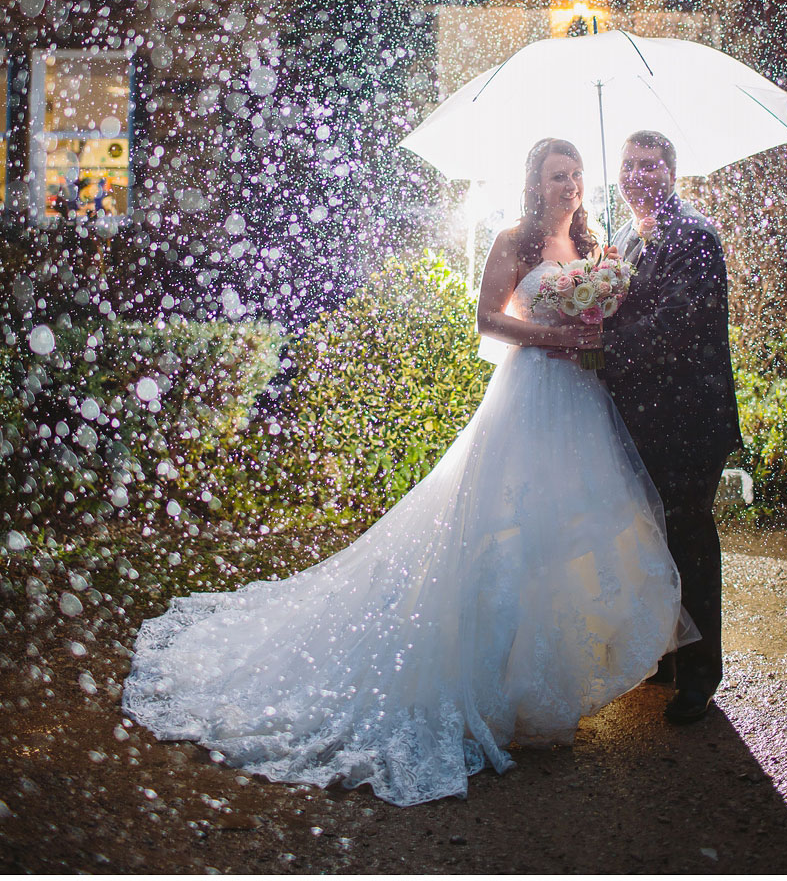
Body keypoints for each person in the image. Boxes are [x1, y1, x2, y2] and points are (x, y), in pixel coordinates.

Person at [122, 137, 695, 807]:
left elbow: (605, 319)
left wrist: (596, 330)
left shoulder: (598, 249)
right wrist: (558, 337)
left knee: (570, 538)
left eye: (573, 176)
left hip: (582, 403)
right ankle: (495, 686)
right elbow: (487, 319)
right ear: (535, 183)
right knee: (509, 535)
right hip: (529, 396)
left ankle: (552, 685)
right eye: (554, 176)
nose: (566, 187)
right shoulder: (513, 240)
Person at [591, 131, 742, 724]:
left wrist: (596, 343)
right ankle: (667, 655)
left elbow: (673, 328)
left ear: (671, 172)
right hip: (641, 417)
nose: (636, 175)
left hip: (690, 420)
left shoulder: (695, 237)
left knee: (690, 541)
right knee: (652, 541)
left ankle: (701, 676)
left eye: (649, 165)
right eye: (628, 165)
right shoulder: (625, 238)